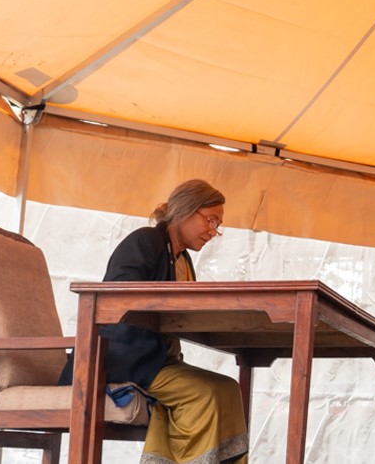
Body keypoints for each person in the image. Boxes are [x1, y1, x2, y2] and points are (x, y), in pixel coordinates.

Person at [61, 179, 248, 464]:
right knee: (205, 394)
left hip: (157, 361)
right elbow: (117, 296)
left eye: (218, 225)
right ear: (187, 209)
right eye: (211, 220)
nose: (213, 231)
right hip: (120, 360)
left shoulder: (183, 260)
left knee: (229, 389)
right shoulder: (145, 241)